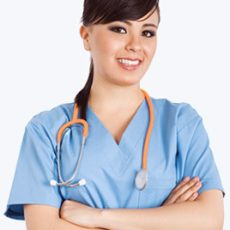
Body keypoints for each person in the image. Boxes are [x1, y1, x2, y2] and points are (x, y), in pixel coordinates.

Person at [4, 0, 225, 229]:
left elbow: (210, 221)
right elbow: (43, 227)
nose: (136, 45)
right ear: (86, 36)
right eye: (120, 29)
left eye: (148, 32)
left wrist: (98, 217)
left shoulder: (181, 124)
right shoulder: (46, 131)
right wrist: (165, 219)